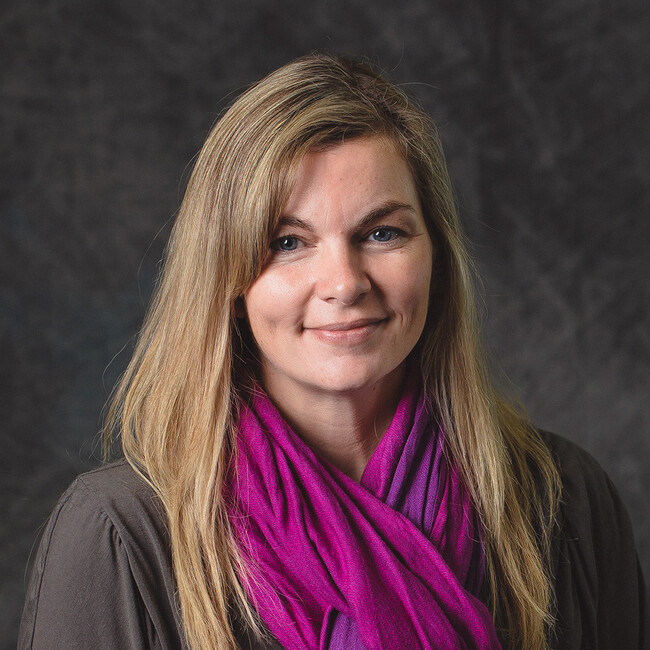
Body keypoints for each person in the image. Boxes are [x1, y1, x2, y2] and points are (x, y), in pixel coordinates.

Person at [19, 53, 645, 650]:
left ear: (436, 258)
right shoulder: (122, 534)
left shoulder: (561, 501)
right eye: (289, 242)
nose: (345, 283)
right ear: (229, 280)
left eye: (382, 232)